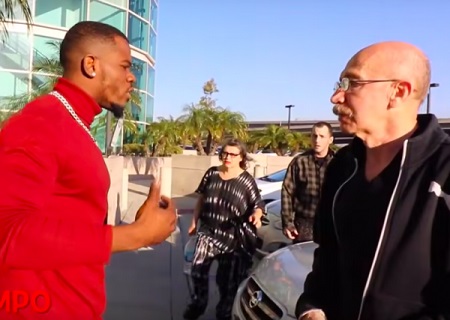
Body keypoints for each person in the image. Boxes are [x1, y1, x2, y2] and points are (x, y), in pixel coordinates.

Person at [0, 21, 177, 319]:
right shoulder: (39, 125)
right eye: (124, 66)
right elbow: (7, 232)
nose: (132, 77)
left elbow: (66, 216)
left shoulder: (72, 126)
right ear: (91, 65)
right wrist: (134, 236)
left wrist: (141, 225)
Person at [296, 41, 450, 320]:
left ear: (398, 92)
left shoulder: (445, 172)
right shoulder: (343, 167)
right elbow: (328, 257)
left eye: (352, 83)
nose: (336, 97)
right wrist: (312, 306)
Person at [184, 138, 265, 320]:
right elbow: (201, 199)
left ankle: (224, 312)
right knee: (197, 271)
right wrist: (193, 221)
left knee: (227, 282)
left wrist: (257, 215)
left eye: (232, 154)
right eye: (225, 153)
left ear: (241, 157)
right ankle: (198, 303)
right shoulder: (211, 174)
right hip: (208, 232)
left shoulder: (246, 181)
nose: (227, 157)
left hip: (233, 239)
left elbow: (257, 204)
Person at [281, 122, 334, 243]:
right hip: (305, 224)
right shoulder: (299, 162)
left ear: (330, 139)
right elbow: (287, 192)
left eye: (322, 136)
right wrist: (288, 222)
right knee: (303, 259)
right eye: (314, 136)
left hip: (331, 223)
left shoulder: (339, 162)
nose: (317, 140)